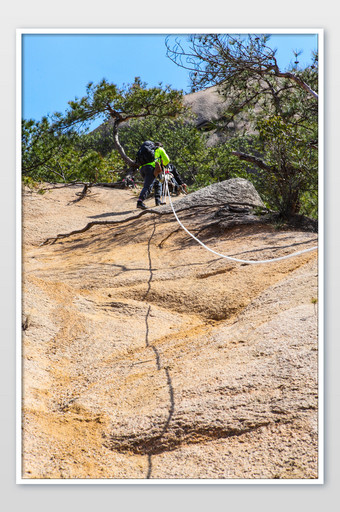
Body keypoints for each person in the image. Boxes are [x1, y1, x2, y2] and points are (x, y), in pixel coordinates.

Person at [136, 142, 170, 209]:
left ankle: (158, 201)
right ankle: (140, 202)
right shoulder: (159, 149)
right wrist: (162, 165)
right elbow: (167, 160)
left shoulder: (146, 150)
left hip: (142, 169)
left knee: (157, 183)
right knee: (148, 186)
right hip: (151, 168)